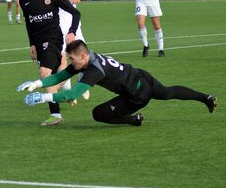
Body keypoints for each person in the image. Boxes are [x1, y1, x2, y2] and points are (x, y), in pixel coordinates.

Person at [17, 40, 218, 126]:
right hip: (141, 76)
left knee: (98, 114)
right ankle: (206, 98)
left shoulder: (94, 70)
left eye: (72, 59)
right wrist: (36, 83)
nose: (70, 63)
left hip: (137, 95)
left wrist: (44, 97)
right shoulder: (86, 61)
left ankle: (134, 119)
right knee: (167, 92)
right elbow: (59, 77)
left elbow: (71, 95)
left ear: (83, 56)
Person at [19, 0, 81, 126]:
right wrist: (31, 44)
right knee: (51, 77)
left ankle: (56, 115)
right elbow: (28, 22)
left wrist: (72, 32)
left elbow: (76, 13)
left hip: (54, 39)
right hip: (38, 43)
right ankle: (70, 90)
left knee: (44, 73)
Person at [37, 0, 89, 125]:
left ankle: (81, 83)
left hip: (72, 22)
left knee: (80, 58)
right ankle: (66, 94)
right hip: (54, 26)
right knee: (61, 60)